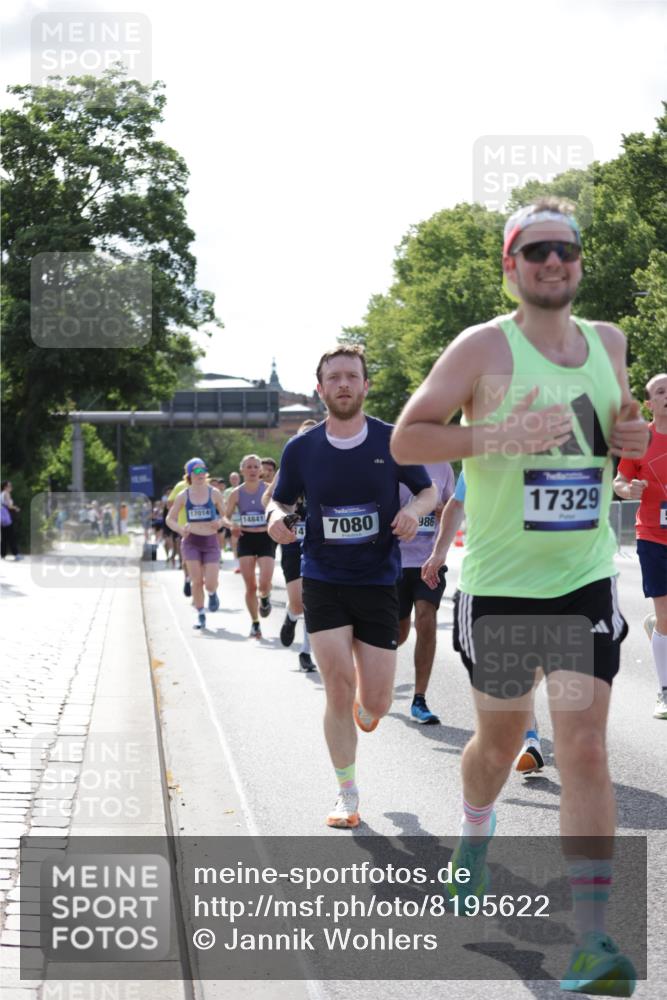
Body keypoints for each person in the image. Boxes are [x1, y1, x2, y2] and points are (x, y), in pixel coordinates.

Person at [390, 197, 648, 995]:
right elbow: (408, 436)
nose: (551, 262)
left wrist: (629, 442)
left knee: (584, 751)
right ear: (510, 265)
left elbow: (615, 440)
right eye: (534, 250)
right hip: (500, 589)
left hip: (582, 584)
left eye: (563, 250)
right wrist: (494, 436)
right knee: (498, 750)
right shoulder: (481, 349)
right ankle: (474, 830)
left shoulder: (608, 343)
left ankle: (592, 941)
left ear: (578, 262)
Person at [267, 345, 437, 829]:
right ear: (320, 389)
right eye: (334, 378)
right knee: (337, 688)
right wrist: (278, 521)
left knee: (376, 702)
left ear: (365, 386)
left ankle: (371, 706)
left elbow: (427, 491)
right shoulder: (301, 448)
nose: (343, 384)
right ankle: (347, 793)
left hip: (378, 579)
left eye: (351, 376)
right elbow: (279, 501)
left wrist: (413, 512)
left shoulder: (391, 439)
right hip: (324, 577)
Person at [424, 472, 546, 773]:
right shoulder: (486, 451)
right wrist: (439, 552)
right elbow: (456, 503)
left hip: (545, 574)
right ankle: (529, 737)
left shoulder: (558, 447)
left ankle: (524, 729)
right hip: (494, 576)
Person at [614, 371, 667, 719]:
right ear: (650, 403)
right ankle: (665, 691)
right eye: (661, 392)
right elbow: (620, 479)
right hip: (652, 535)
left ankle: (658, 629)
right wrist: (627, 489)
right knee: (666, 616)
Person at [397, 461, 454, 724]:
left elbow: (454, 509)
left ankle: (419, 699)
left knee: (426, 618)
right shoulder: (391, 461)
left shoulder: (443, 468)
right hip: (393, 563)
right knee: (397, 634)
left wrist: (443, 512)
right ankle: (367, 679)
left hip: (428, 562)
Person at [262, 419, 319, 671]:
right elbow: (268, 499)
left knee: (313, 601)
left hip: (319, 543)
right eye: (302, 436)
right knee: (298, 603)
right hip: (293, 543)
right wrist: (281, 514)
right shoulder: (289, 468)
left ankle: (306, 652)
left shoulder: (327, 466)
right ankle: (291, 615)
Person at [166, 458, 227, 630]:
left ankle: (213, 593)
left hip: (210, 541)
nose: (201, 474)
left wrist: (220, 523)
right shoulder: (183, 495)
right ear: (190, 475)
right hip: (191, 541)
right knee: (196, 580)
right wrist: (179, 529)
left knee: (210, 582)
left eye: (203, 471)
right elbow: (169, 519)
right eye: (197, 471)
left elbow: (226, 515)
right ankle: (200, 614)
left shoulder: (214, 493)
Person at [225, 454, 277, 638]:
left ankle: (265, 598)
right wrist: (232, 525)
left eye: (256, 467)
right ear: (242, 470)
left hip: (266, 538)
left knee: (265, 581)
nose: (253, 470)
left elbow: (279, 509)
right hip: (246, 538)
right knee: (250, 586)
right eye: (249, 467)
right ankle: (255, 623)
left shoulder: (268, 490)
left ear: (260, 470)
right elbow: (225, 515)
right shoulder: (236, 493)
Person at [222, 471, 241, 569]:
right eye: (232, 478)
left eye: (236, 478)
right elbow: (225, 506)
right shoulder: (227, 491)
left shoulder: (243, 489)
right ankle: (237, 563)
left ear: (239, 479)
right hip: (233, 518)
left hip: (244, 518)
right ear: (230, 480)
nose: (234, 480)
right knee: (234, 540)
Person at [1, 481, 21, 560]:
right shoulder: (6, 494)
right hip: (6, 516)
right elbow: (9, 506)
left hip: (1, 516)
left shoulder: (1, 494)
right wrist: (16, 508)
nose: (11, 487)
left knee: (4, 536)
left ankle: (2, 554)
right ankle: (16, 554)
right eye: (9, 486)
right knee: (11, 536)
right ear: (5, 487)